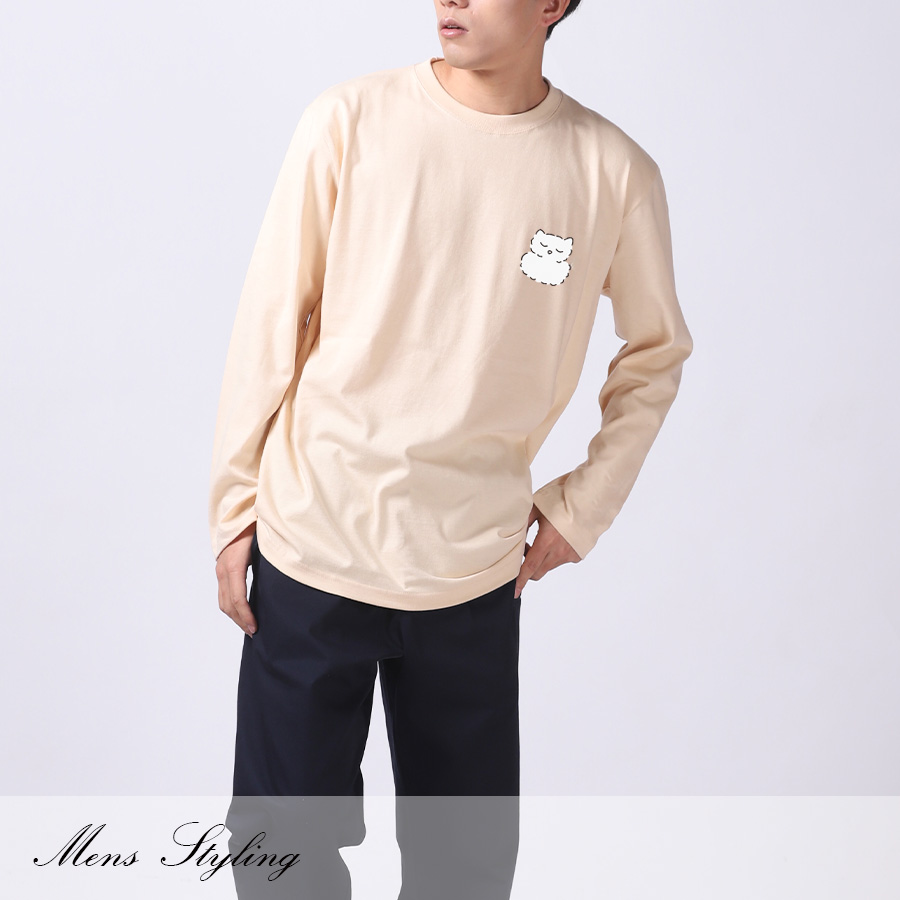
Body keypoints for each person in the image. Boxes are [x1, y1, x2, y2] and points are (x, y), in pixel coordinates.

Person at [208, 1, 693, 897]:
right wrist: (235, 508)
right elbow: (271, 319)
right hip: (315, 544)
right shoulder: (349, 120)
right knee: (279, 859)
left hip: (472, 570)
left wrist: (584, 507)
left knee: (464, 873)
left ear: (553, 5)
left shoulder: (610, 171)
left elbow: (656, 354)